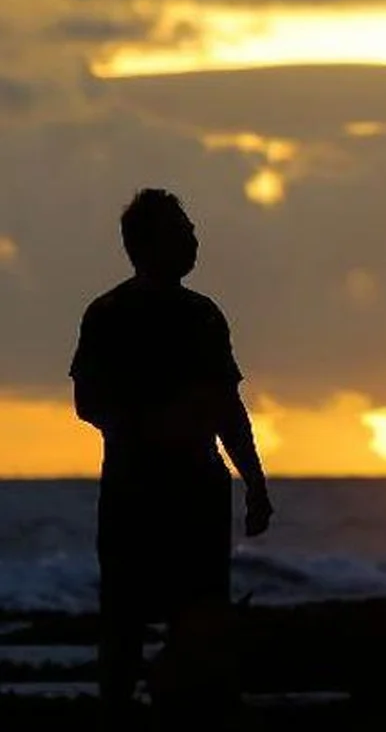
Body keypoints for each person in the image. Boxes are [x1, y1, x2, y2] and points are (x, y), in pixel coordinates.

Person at [71, 189, 274, 722]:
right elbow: (87, 402)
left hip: (198, 491)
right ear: (146, 244)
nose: (193, 241)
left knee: (200, 619)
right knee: (124, 619)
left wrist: (254, 482)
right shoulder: (109, 315)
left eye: (191, 231)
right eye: (182, 231)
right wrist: (147, 425)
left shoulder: (203, 316)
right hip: (135, 492)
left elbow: (228, 408)